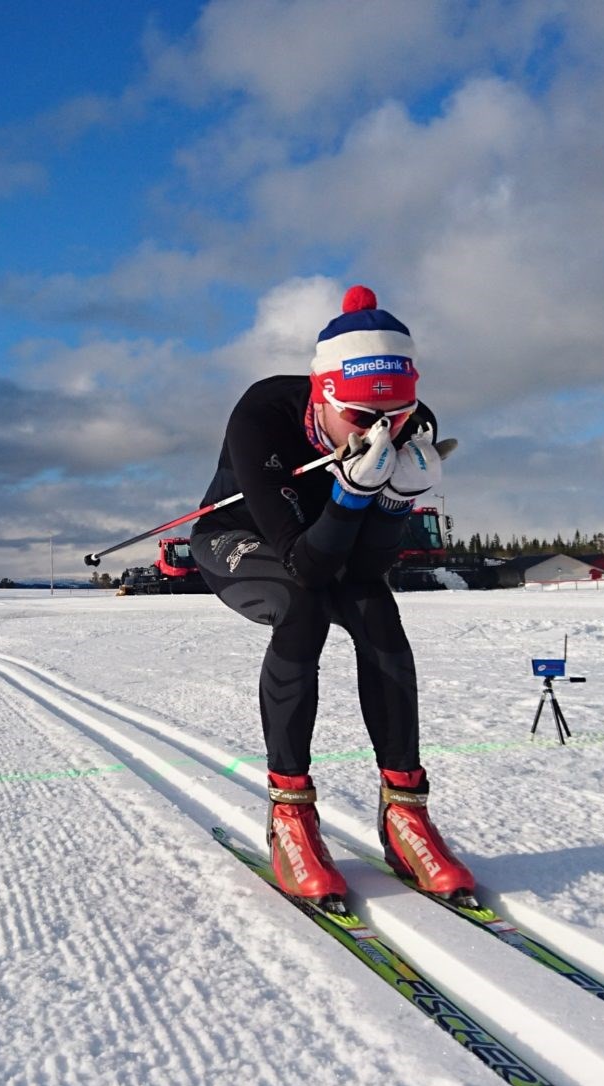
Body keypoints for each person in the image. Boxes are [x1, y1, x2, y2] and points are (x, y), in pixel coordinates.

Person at [193, 285, 474, 903]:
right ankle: (290, 813)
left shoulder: (414, 424)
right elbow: (303, 562)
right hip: (244, 537)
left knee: (380, 617)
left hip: (333, 547)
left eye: (396, 416)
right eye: (362, 416)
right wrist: (351, 494)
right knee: (301, 607)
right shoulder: (264, 412)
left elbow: (369, 568)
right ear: (323, 396)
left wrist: (395, 502)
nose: (382, 430)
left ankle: (406, 814)